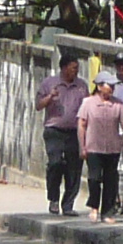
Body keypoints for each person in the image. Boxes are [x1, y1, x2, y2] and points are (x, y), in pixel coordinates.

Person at [35, 53, 90, 216]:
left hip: (74, 131)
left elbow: (87, 108)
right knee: (56, 163)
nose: (76, 71)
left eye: (77, 68)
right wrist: (50, 97)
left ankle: (68, 204)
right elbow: (38, 105)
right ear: (64, 68)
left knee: (74, 168)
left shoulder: (81, 86)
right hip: (54, 131)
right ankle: (53, 198)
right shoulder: (49, 83)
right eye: (73, 68)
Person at [78, 69, 123, 221]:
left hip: (113, 148)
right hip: (93, 147)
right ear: (100, 86)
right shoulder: (88, 103)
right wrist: (82, 146)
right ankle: (94, 206)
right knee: (94, 178)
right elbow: (81, 124)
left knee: (111, 180)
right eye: (109, 85)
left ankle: (107, 211)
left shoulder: (118, 104)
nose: (112, 89)